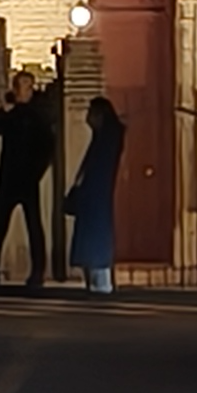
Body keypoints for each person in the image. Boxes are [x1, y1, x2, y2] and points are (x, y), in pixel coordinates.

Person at [0, 68, 58, 289]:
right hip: (8, 176)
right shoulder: (11, 113)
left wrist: (37, 172)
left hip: (28, 177)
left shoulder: (38, 115)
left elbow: (47, 146)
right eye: (20, 87)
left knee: (34, 225)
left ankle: (37, 272)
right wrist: (3, 110)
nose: (24, 91)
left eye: (27, 87)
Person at [64, 91, 126, 293]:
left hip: (94, 200)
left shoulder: (105, 141)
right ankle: (97, 281)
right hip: (92, 199)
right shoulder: (104, 139)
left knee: (93, 241)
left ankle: (100, 283)